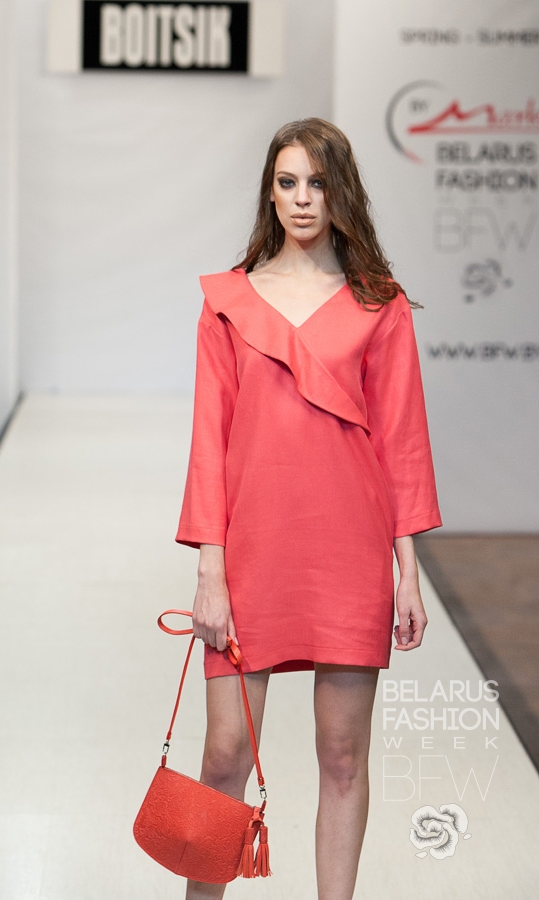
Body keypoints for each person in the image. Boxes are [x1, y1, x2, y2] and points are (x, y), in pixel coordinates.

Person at [175, 118, 442, 900]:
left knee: (343, 757)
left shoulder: (379, 305)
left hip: (349, 552)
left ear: (340, 192)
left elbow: (402, 444)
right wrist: (210, 571)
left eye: (317, 183)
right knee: (225, 752)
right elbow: (208, 443)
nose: (301, 199)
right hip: (252, 551)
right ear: (269, 191)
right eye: (287, 182)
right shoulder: (229, 302)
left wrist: (407, 573)